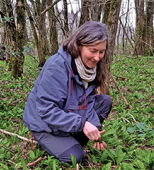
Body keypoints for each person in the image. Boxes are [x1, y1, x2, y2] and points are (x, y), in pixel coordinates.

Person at [23, 21, 113, 164]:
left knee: (105, 101)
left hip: (69, 114)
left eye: (101, 52)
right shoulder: (57, 66)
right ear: (79, 45)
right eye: (93, 50)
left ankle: (72, 141)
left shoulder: (91, 68)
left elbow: (88, 103)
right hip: (45, 125)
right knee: (76, 158)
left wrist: (96, 131)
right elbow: (46, 110)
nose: (97, 57)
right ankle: (61, 143)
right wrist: (83, 124)